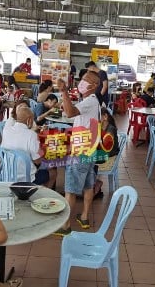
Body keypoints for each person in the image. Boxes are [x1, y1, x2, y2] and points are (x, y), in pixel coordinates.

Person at [54, 71, 101, 236]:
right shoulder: (93, 102)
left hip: (81, 150)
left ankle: (65, 226)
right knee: (88, 184)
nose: (82, 82)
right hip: (90, 148)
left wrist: (64, 91)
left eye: (86, 80)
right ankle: (85, 217)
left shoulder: (89, 101)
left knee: (71, 189)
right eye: (82, 79)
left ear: (94, 86)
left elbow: (70, 113)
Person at [1, 107, 56, 188]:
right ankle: (43, 195)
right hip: (26, 179)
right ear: (29, 120)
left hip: (6, 174)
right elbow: (37, 161)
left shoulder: (6, 130)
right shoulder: (31, 135)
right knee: (52, 172)